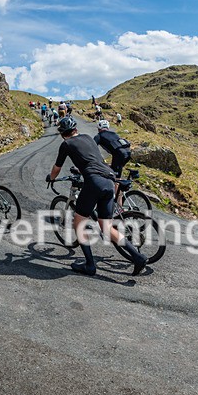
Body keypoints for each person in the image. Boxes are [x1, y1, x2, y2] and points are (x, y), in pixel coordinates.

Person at [47, 117, 147, 276]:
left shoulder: (66, 144)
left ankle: (89, 265)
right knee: (106, 227)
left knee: (78, 223)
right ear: (76, 129)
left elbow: (57, 168)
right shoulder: (87, 137)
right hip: (109, 180)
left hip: (94, 181)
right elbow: (93, 159)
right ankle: (138, 257)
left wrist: (51, 178)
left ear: (62, 134)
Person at [94, 119, 132, 205]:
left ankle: (120, 207)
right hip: (127, 153)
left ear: (98, 128)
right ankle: (116, 199)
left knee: (116, 181)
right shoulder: (114, 134)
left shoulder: (99, 136)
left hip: (119, 156)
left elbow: (92, 147)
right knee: (112, 172)